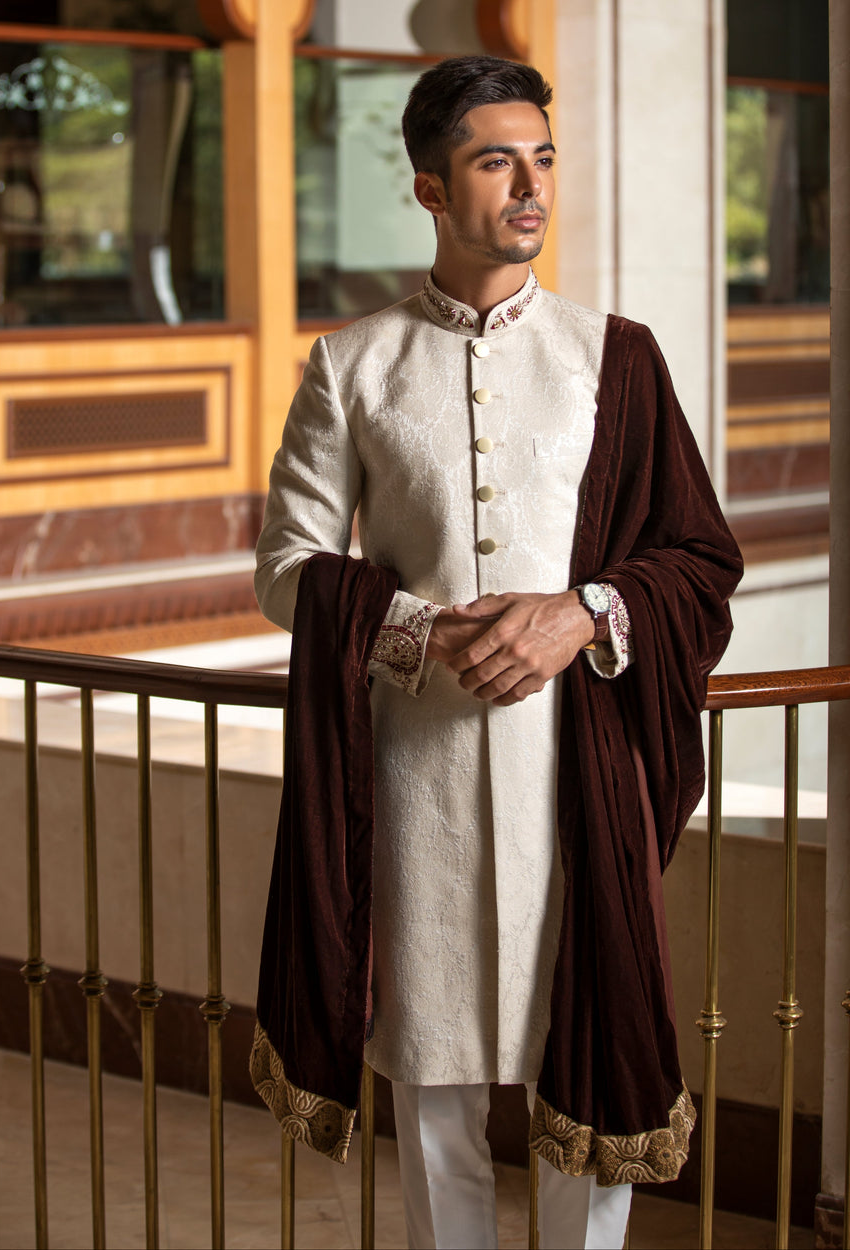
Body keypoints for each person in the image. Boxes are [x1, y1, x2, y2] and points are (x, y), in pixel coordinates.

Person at [250, 55, 742, 1250]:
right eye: (493, 161)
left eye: (543, 159)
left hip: (577, 781)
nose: (529, 187)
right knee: (433, 1096)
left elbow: (697, 554)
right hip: (414, 784)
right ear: (428, 186)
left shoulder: (612, 355)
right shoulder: (352, 363)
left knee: (592, 1064)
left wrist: (585, 610)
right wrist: (416, 625)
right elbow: (286, 564)